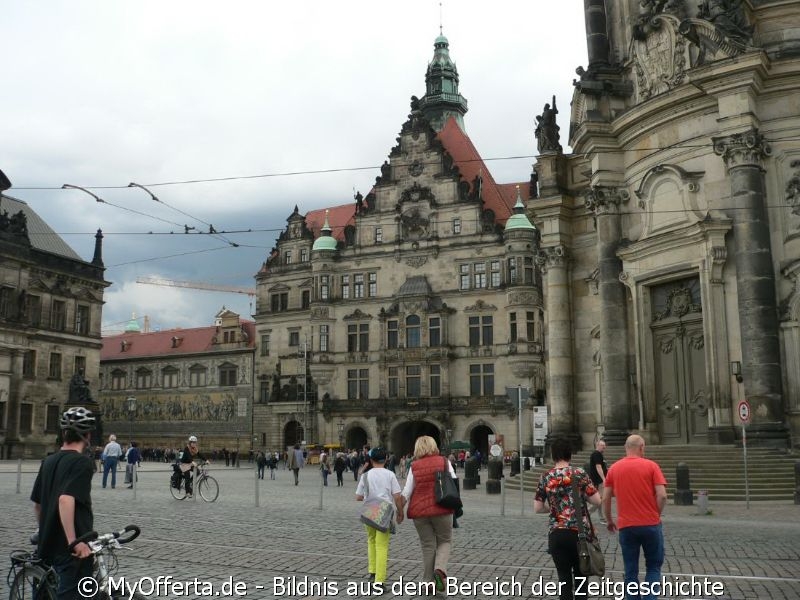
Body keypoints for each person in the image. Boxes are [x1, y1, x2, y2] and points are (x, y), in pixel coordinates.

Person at [30, 406, 97, 600]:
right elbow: (65, 500)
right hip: (71, 553)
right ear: (88, 435)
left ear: (63, 433)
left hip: (47, 546)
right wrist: (74, 542)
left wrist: (45, 529)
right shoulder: (82, 463)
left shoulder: (48, 461)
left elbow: (38, 504)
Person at [534, 437, 601, 600]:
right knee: (581, 580)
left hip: (557, 533)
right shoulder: (579, 473)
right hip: (579, 534)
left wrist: (556, 507)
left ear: (553, 455)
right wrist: (584, 510)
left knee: (564, 580)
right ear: (570, 455)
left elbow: (537, 508)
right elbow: (597, 501)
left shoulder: (546, 477)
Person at [602, 435, 667, 600]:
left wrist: (609, 520)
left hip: (626, 526)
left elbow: (605, 498)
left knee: (630, 570)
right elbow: (662, 496)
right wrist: (655, 514)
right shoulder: (652, 466)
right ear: (642, 447)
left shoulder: (614, 469)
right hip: (651, 524)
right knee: (653, 567)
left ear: (626, 448)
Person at [400, 435, 456, 594]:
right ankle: (440, 570)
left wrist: (399, 511)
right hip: (442, 508)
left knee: (427, 545)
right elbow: (453, 481)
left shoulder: (414, 466)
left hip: (419, 512)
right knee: (444, 541)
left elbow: (407, 491)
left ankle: (427, 582)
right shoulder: (444, 462)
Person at [356, 448, 404, 590]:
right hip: (384, 511)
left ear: (371, 460)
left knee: (371, 541)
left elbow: (358, 496)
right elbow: (397, 496)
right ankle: (379, 581)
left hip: (369, 510)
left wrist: (369, 496)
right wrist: (400, 512)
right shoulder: (390, 475)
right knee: (382, 546)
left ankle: (372, 571)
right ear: (386, 460)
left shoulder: (365, 475)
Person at [588, 439, 608, 523]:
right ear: (597, 445)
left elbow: (602, 467)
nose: (604, 447)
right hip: (597, 480)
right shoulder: (597, 454)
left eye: (604, 445)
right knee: (600, 500)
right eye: (602, 445)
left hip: (597, 480)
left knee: (600, 499)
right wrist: (604, 479)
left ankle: (601, 518)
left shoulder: (599, 454)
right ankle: (586, 513)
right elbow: (598, 467)